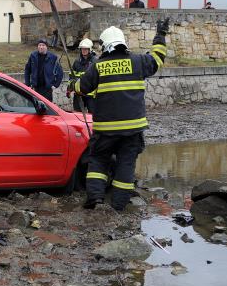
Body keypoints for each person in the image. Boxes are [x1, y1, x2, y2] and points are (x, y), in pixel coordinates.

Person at [69, 18, 169, 211]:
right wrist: (161, 34)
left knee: (98, 161)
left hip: (105, 129)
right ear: (123, 42)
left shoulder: (98, 66)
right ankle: (118, 206)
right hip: (132, 129)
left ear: (105, 46)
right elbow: (158, 58)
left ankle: (95, 201)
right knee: (126, 164)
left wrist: (73, 84)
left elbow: (82, 87)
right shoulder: (139, 61)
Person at [68, 38, 97, 113]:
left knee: (92, 115)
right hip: (79, 93)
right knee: (77, 115)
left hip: (91, 95)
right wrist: (69, 88)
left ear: (90, 49)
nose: (83, 50)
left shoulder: (95, 62)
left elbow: (97, 78)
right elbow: (71, 76)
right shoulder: (77, 62)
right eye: (82, 49)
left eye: (85, 49)